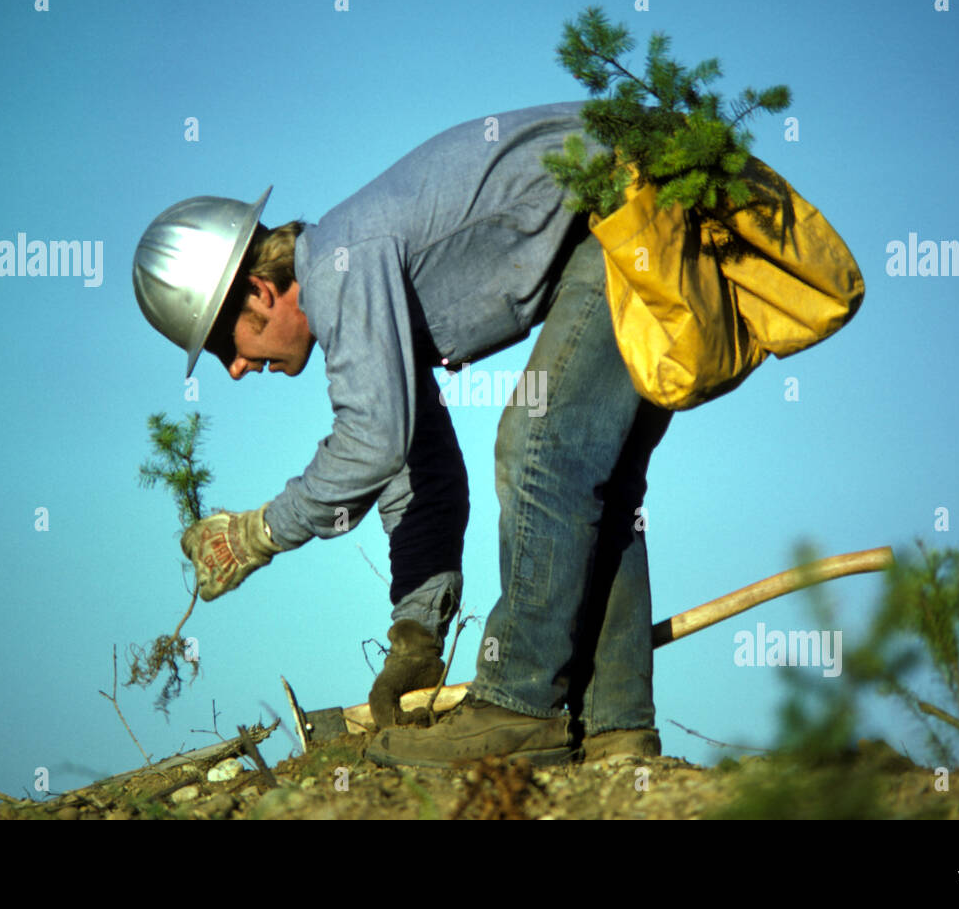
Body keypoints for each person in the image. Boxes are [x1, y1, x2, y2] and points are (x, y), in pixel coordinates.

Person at [132, 102, 671, 767]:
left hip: (638, 205)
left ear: (258, 290)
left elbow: (371, 438)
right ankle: (619, 729)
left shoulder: (339, 267)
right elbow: (422, 470)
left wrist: (256, 534)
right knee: (596, 473)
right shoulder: (360, 288)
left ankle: (519, 709)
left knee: (539, 446)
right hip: (632, 215)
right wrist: (416, 631)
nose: (238, 370)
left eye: (224, 347)